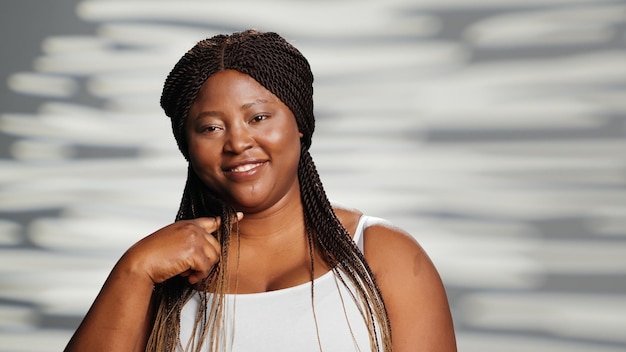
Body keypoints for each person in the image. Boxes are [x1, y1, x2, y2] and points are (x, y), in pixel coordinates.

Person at [64, 29, 456, 352]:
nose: (237, 142)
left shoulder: (383, 255)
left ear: (300, 124)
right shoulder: (159, 273)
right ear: (187, 145)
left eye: (259, 117)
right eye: (211, 127)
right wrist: (133, 271)